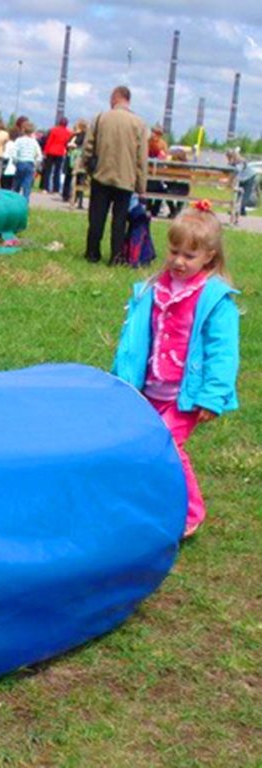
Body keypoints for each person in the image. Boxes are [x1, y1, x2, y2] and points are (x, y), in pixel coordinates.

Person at [112, 202, 239, 538]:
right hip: (150, 388)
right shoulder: (153, 289)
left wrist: (212, 396)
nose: (179, 261)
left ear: (209, 257)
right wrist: (124, 380)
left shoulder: (214, 298)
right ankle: (150, 503)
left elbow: (222, 352)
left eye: (189, 256)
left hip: (185, 395)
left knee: (166, 443)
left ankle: (191, 512)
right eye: (174, 252)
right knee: (141, 443)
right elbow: (136, 339)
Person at [82, 85, 148, 265]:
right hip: (125, 179)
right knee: (119, 221)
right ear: (128, 100)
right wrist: (141, 187)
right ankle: (116, 257)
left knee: (96, 217)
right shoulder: (139, 123)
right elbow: (142, 159)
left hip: (101, 175)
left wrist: (88, 169)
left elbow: (88, 147)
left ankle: (92, 253)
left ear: (114, 98)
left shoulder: (100, 118)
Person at [12, 121, 43, 201]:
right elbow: (39, 155)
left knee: (17, 183)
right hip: (30, 164)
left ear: (22, 130)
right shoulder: (34, 141)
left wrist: (15, 162)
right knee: (27, 184)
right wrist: (36, 164)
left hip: (20, 162)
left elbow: (14, 152)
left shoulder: (19, 140)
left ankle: (14, 200)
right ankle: (25, 201)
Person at [41, 116, 72, 194]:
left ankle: (45, 188)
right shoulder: (68, 132)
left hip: (51, 151)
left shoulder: (54, 130)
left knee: (48, 170)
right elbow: (66, 143)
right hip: (60, 152)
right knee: (57, 171)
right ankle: (56, 189)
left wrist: (45, 151)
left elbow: (49, 141)